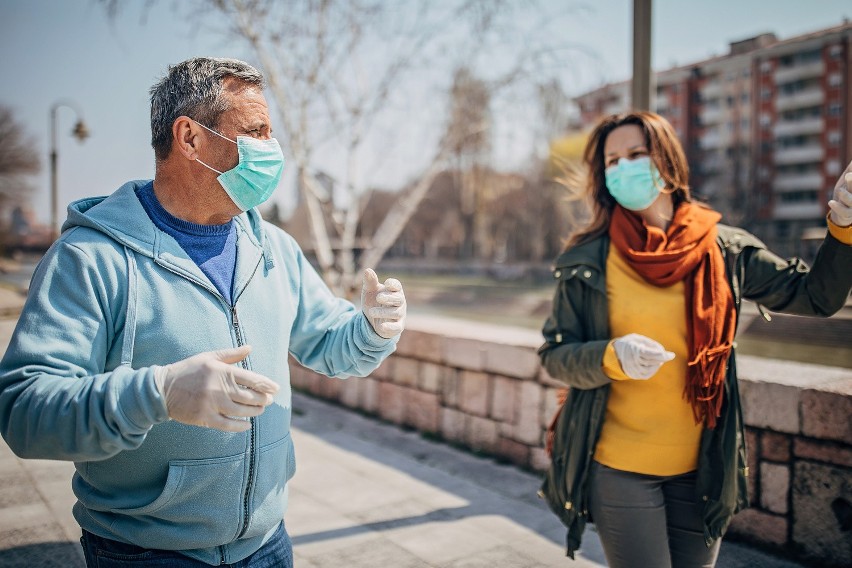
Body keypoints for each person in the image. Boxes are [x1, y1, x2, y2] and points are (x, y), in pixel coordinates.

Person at [0, 57, 407, 567]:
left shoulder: (274, 247)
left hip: (268, 544)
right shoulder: (90, 259)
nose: (271, 149)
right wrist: (158, 394)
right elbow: (24, 412)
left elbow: (331, 346)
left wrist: (371, 328)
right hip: (147, 554)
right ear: (189, 138)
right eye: (255, 132)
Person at [538, 110, 852, 568]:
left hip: (702, 469)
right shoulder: (588, 256)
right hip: (618, 468)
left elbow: (817, 297)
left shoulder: (725, 248)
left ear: (665, 162)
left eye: (636, 155)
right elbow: (556, 355)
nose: (623, 168)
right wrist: (611, 356)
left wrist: (843, 229)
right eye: (612, 161)